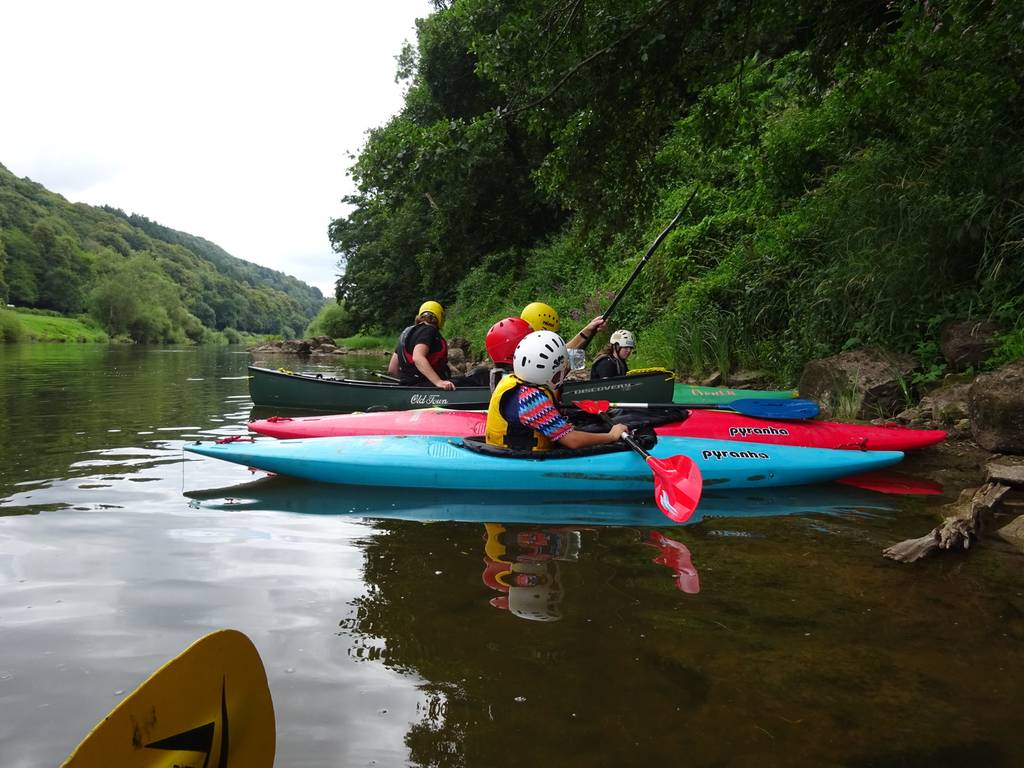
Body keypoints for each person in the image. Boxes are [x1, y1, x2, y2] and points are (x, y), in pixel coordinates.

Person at [485, 330, 628, 450]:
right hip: (522, 462)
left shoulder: (513, 379)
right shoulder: (531, 399)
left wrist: (588, 331)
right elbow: (572, 441)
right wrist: (611, 436)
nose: (563, 372)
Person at [387, 300, 455, 390]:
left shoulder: (407, 333)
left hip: (408, 387)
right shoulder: (429, 330)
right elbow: (418, 357)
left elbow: (392, 369)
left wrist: (408, 382)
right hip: (428, 387)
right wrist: (438, 382)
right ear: (440, 317)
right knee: (474, 378)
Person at [519, 302, 606, 351]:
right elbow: (561, 353)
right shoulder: (532, 351)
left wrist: (588, 330)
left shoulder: (521, 346)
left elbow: (560, 352)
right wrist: (588, 330)